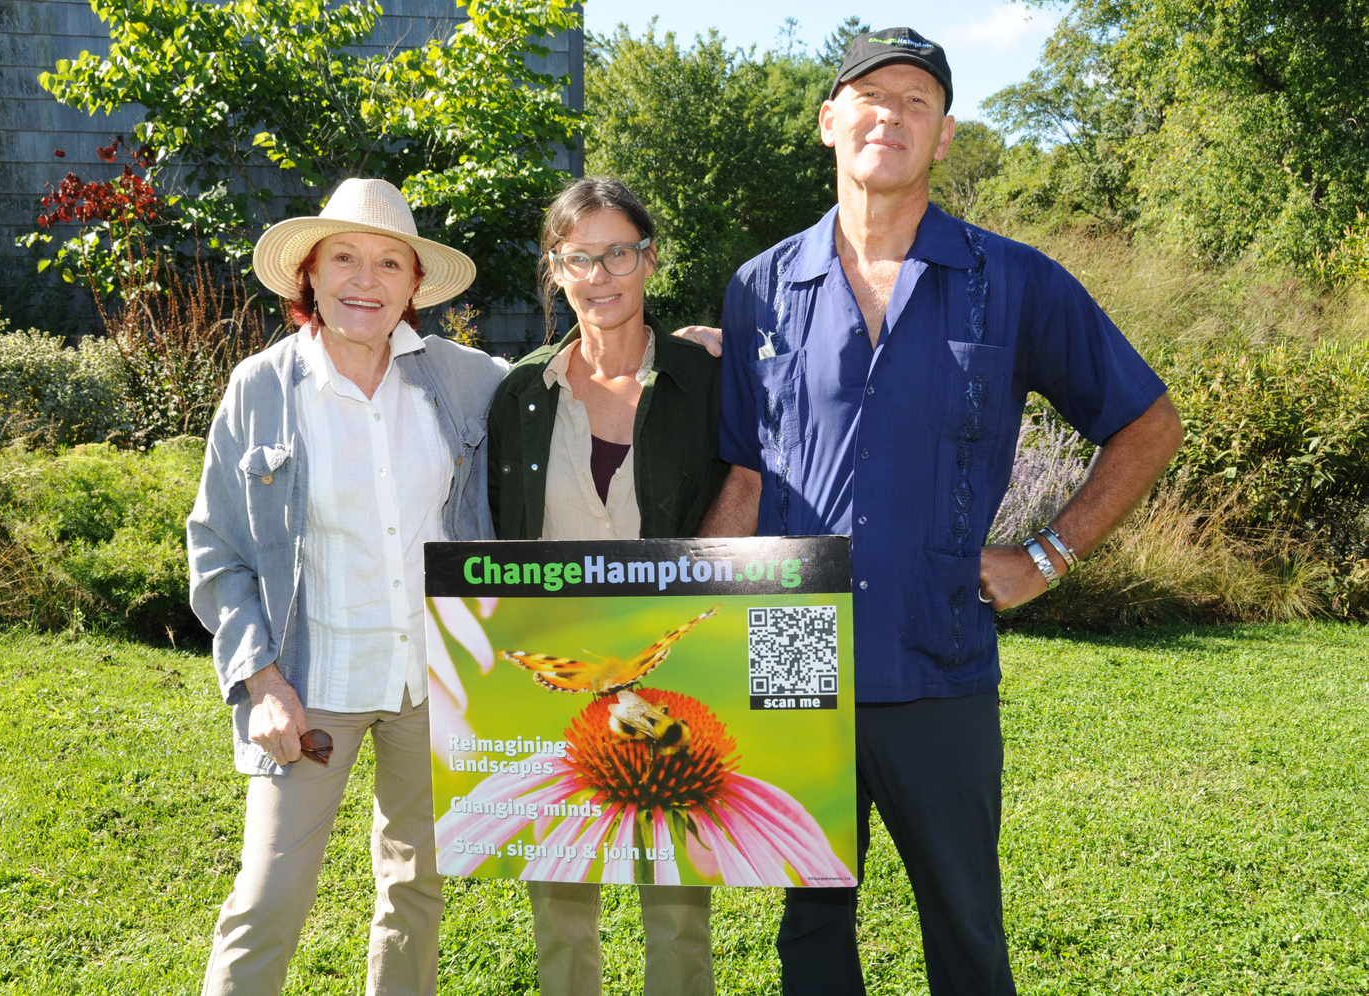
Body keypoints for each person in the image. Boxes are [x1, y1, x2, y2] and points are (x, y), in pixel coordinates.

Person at [698, 27, 1185, 996]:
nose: (892, 114)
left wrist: (1046, 557)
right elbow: (748, 476)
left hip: (941, 653)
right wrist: (687, 618)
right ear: (830, 120)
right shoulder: (759, 289)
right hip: (796, 650)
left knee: (964, 923)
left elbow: (1148, 424)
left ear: (946, 136)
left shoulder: (1015, 281)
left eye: (918, 101)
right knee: (810, 924)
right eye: (869, 95)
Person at [186, 177, 505, 996]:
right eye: (346, 259)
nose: (366, 280)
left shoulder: (464, 379)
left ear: (412, 286)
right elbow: (216, 549)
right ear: (312, 277)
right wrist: (261, 683)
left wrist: (661, 346)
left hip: (431, 681)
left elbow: (569, 381)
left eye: (388, 263)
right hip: (308, 684)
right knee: (267, 900)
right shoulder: (261, 388)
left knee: (415, 890)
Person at [486, 177, 730, 996]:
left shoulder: (705, 378)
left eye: (618, 252)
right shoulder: (520, 393)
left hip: (675, 660)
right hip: (549, 667)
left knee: (676, 893)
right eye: (578, 258)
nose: (601, 275)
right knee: (558, 890)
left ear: (650, 260)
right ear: (555, 271)